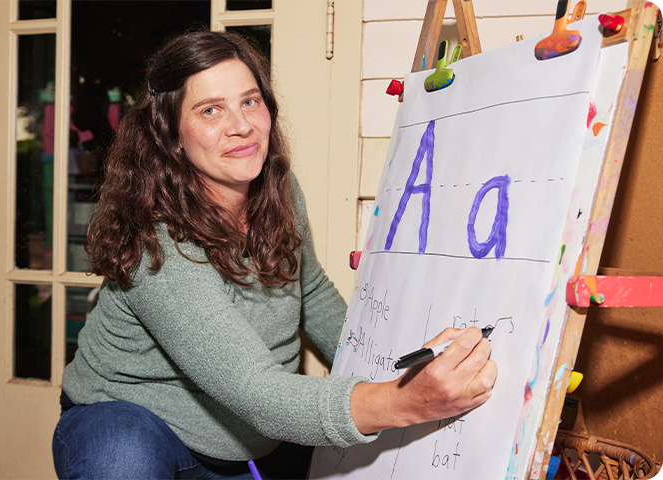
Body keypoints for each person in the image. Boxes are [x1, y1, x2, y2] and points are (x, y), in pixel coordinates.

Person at [51, 31, 497, 480]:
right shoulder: (154, 237)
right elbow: (258, 393)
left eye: (249, 101)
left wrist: (389, 366)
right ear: (171, 134)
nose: (241, 125)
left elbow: (311, 291)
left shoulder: (279, 189)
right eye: (210, 110)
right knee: (121, 455)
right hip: (140, 423)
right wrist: (402, 401)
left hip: (249, 441)